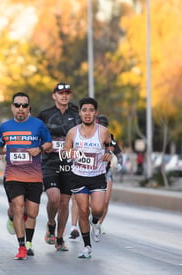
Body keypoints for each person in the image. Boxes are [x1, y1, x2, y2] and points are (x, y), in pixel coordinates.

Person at [0, 92, 52, 260]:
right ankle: (21, 247)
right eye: (17, 105)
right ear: (12, 107)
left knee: (31, 212)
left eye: (24, 106)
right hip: (13, 175)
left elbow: (49, 144)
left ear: (29, 108)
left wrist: (40, 149)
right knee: (18, 207)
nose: (21, 108)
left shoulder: (38, 125)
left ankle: (29, 241)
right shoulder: (5, 127)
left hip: (34, 176)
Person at [62, 97, 113, 259]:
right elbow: (64, 152)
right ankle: (87, 247)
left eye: (91, 110)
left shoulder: (103, 131)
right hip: (78, 176)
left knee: (97, 209)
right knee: (83, 211)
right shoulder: (73, 132)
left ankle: (96, 222)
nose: (88, 113)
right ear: (80, 113)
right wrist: (70, 153)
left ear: (95, 113)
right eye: (84, 110)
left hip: (97, 176)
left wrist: (108, 153)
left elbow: (110, 146)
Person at [37, 82, 81, 251]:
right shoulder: (44, 115)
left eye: (67, 93)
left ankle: (60, 238)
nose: (64, 96)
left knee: (64, 202)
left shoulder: (76, 115)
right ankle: (50, 223)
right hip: (49, 163)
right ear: (53, 95)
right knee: (53, 198)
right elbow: (37, 135)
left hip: (69, 165)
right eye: (60, 93)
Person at [95, 115, 123, 233]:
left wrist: (119, 164)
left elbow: (119, 155)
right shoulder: (91, 137)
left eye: (105, 125)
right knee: (94, 203)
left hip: (107, 173)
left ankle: (99, 224)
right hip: (93, 172)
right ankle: (92, 219)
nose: (102, 127)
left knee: (105, 201)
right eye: (100, 124)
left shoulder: (111, 139)